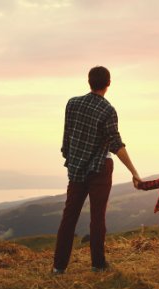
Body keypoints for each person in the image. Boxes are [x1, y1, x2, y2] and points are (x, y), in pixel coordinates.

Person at [53, 66, 141, 273]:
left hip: (76, 168)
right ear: (108, 84)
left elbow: (67, 136)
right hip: (99, 169)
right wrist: (134, 172)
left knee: (69, 217)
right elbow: (116, 144)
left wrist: (71, 157)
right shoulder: (108, 110)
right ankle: (98, 264)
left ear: (89, 81)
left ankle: (58, 267)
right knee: (97, 217)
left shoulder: (72, 104)